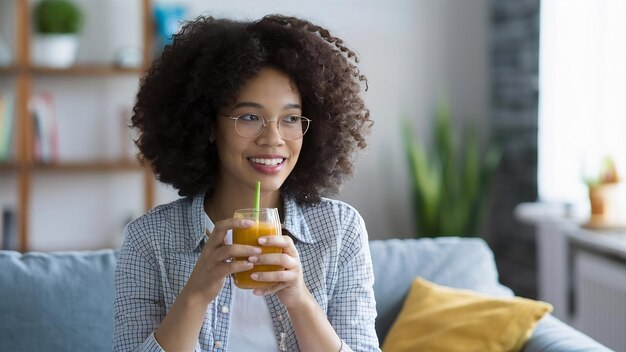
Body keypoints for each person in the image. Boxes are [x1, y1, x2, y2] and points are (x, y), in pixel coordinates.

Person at [113, 14, 378, 352]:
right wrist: (196, 294)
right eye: (250, 117)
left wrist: (299, 300)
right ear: (208, 126)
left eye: (291, 119)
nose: (273, 139)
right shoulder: (149, 240)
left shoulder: (340, 230)